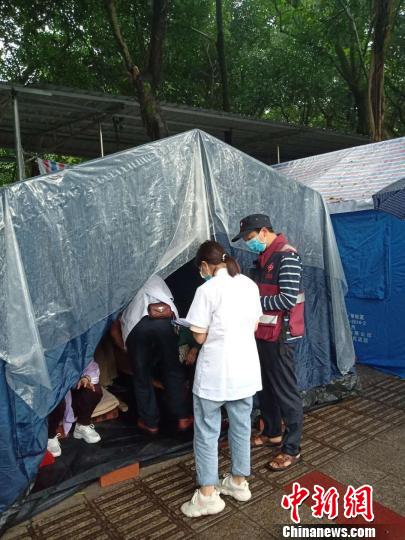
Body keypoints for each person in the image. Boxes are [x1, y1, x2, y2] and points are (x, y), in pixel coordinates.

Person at [180, 241, 263, 518]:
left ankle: (207, 496)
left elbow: (199, 335)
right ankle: (238, 483)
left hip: (214, 375)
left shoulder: (206, 290)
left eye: (201, 268)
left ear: (205, 266)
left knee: (207, 432)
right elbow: (254, 325)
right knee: (241, 427)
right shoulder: (249, 285)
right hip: (245, 372)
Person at [232, 213, 304, 472]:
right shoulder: (263, 258)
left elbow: (287, 299)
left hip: (281, 336)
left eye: (250, 237)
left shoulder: (287, 256)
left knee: (286, 392)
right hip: (262, 333)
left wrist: (251, 302)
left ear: (264, 231)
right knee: (265, 387)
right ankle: (272, 432)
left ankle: (292, 448)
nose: (249, 243)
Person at [120, 274, 192, 435]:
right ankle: (183, 417)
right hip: (165, 323)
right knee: (173, 370)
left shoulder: (124, 278)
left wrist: (126, 347)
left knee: (141, 375)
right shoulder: (156, 276)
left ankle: (150, 422)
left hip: (136, 324)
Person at [47, 360, 102, 457]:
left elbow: (90, 365)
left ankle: (82, 425)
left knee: (93, 389)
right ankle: (50, 436)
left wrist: (86, 378)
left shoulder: (76, 350)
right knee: (55, 400)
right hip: (53, 391)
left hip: (73, 392)